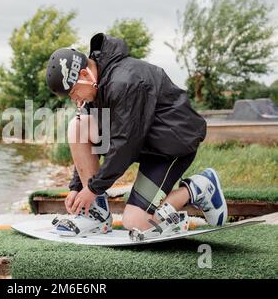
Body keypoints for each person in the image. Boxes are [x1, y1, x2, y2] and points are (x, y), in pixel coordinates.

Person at [45, 33, 228, 238]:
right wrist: (77, 188)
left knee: (136, 223)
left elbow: (124, 146)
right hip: (144, 142)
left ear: (85, 75)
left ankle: (200, 187)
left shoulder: (125, 82)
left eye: (72, 92)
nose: (73, 99)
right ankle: (95, 214)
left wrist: (93, 188)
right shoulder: (96, 86)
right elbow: (91, 142)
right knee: (78, 126)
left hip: (171, 146)